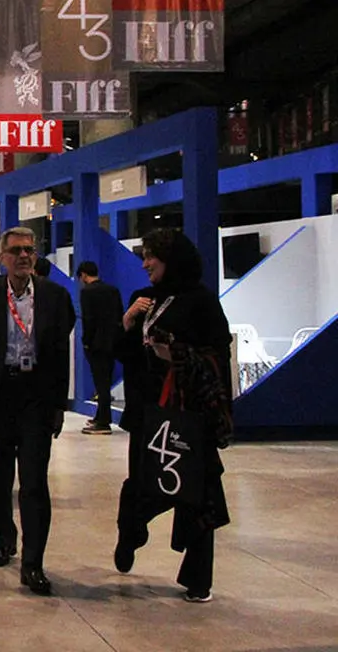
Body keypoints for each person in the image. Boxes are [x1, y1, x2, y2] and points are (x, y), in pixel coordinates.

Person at [113, 229, 233, 604]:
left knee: (197, 494)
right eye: (145, 256)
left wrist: (177, 353)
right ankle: (131, 533)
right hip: (147, 413)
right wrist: (128, 323)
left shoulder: (201, 301)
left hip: (188, 415)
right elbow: (124, 355)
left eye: (153, 257)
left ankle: (198, 579)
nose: (146, 263)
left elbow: (217, 355)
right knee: (142, 483)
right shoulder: (143, 300)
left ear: (173, 260)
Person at [0, 227, 75, 596]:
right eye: (16, 251)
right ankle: (3, 539)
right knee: (0, 476)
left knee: (35, 482)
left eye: (29, 249)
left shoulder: (55, 297)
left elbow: (60, 354)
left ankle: (33, 563)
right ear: (4, 257)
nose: (24, 256)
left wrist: (59, 404)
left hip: (37, 397)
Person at [76, 261, 124, 434]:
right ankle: (101, 416)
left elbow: (89, 319)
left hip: (96, 344)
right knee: (105, 380)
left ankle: (103, 422)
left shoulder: (87, 292)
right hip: (112, 342)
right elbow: (120, 314)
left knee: (100, 382)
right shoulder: (113, 290)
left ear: (83, 275)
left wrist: (86, 341)